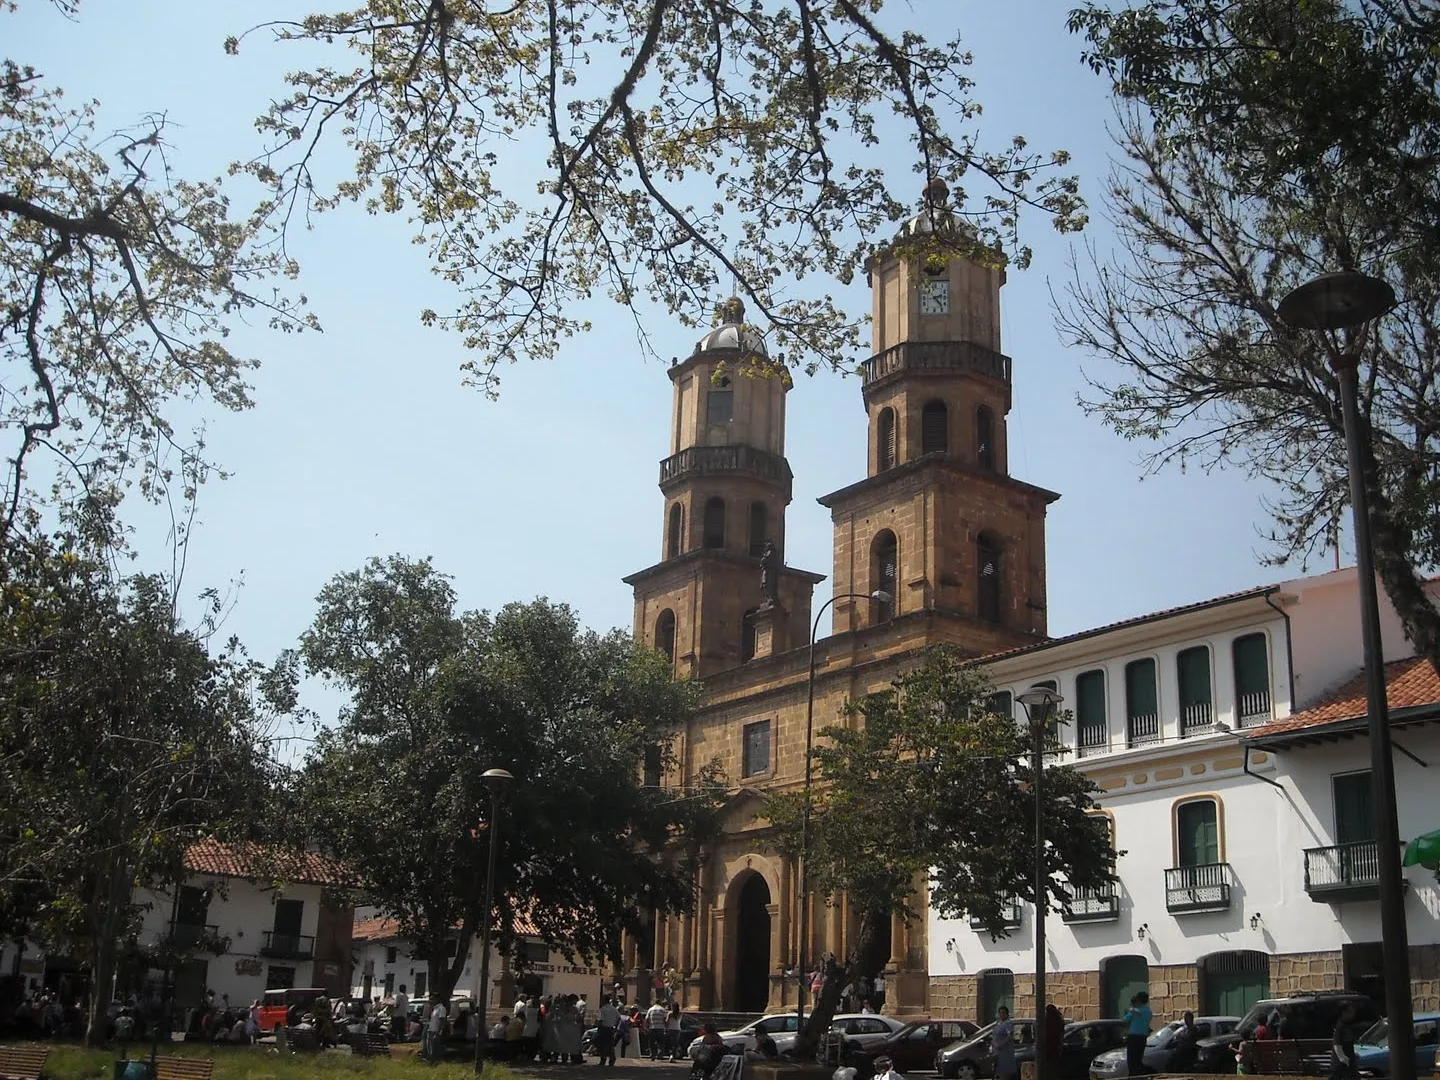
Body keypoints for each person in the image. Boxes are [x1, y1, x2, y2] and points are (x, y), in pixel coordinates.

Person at [1123, 992, 1152, 1078]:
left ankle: (1133, 1077)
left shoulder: (1133, 1011)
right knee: (1139, 1060)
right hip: (1143, 1038)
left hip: (1133, 1038)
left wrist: (1127, 1012)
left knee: (1132, 1061)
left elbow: (1125, 1020)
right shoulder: (1148, 1011)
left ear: (1139, 1000)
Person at [1330, 1002, 1359, 1080]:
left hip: (1349, 1060)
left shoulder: (1348, 1025)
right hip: (1341, 1062)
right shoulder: (1340, 1026)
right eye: (1350, 1011)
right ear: (1344, 1012)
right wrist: (1342, 1057)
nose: (1353, 1013)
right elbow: (1337, 1044)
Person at [993, 1007, 1018, 1080]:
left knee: (1005, 1073)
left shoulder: (1008, 1023)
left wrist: (1001, 1044)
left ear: (1007, 1014)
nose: (1002, 1015)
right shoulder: (999, 1023)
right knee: (999, 1072)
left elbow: (1009, 1036)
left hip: (1006, 1052)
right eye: (1000, 1013)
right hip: (998, 1052)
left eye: (1003, 1013)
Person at [596, 997, 621, 1067]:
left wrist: (598, 1028)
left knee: (602, 1044)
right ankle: (612, 1059)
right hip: (611, 1028)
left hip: (604, 1028)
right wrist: (615, 1026)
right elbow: (619, 1018)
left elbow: (600, 1020)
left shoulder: (603, 1009)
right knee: (610, 1045)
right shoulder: (614, 1009)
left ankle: (603, 1059)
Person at [1044, 1004, 1064, 1078]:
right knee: (1055, 1067)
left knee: (1049, 1068)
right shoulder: (1058, 1019)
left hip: (1049, 1047)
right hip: (1056, 1046)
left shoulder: (1047, 1020)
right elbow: (1061, 1034)